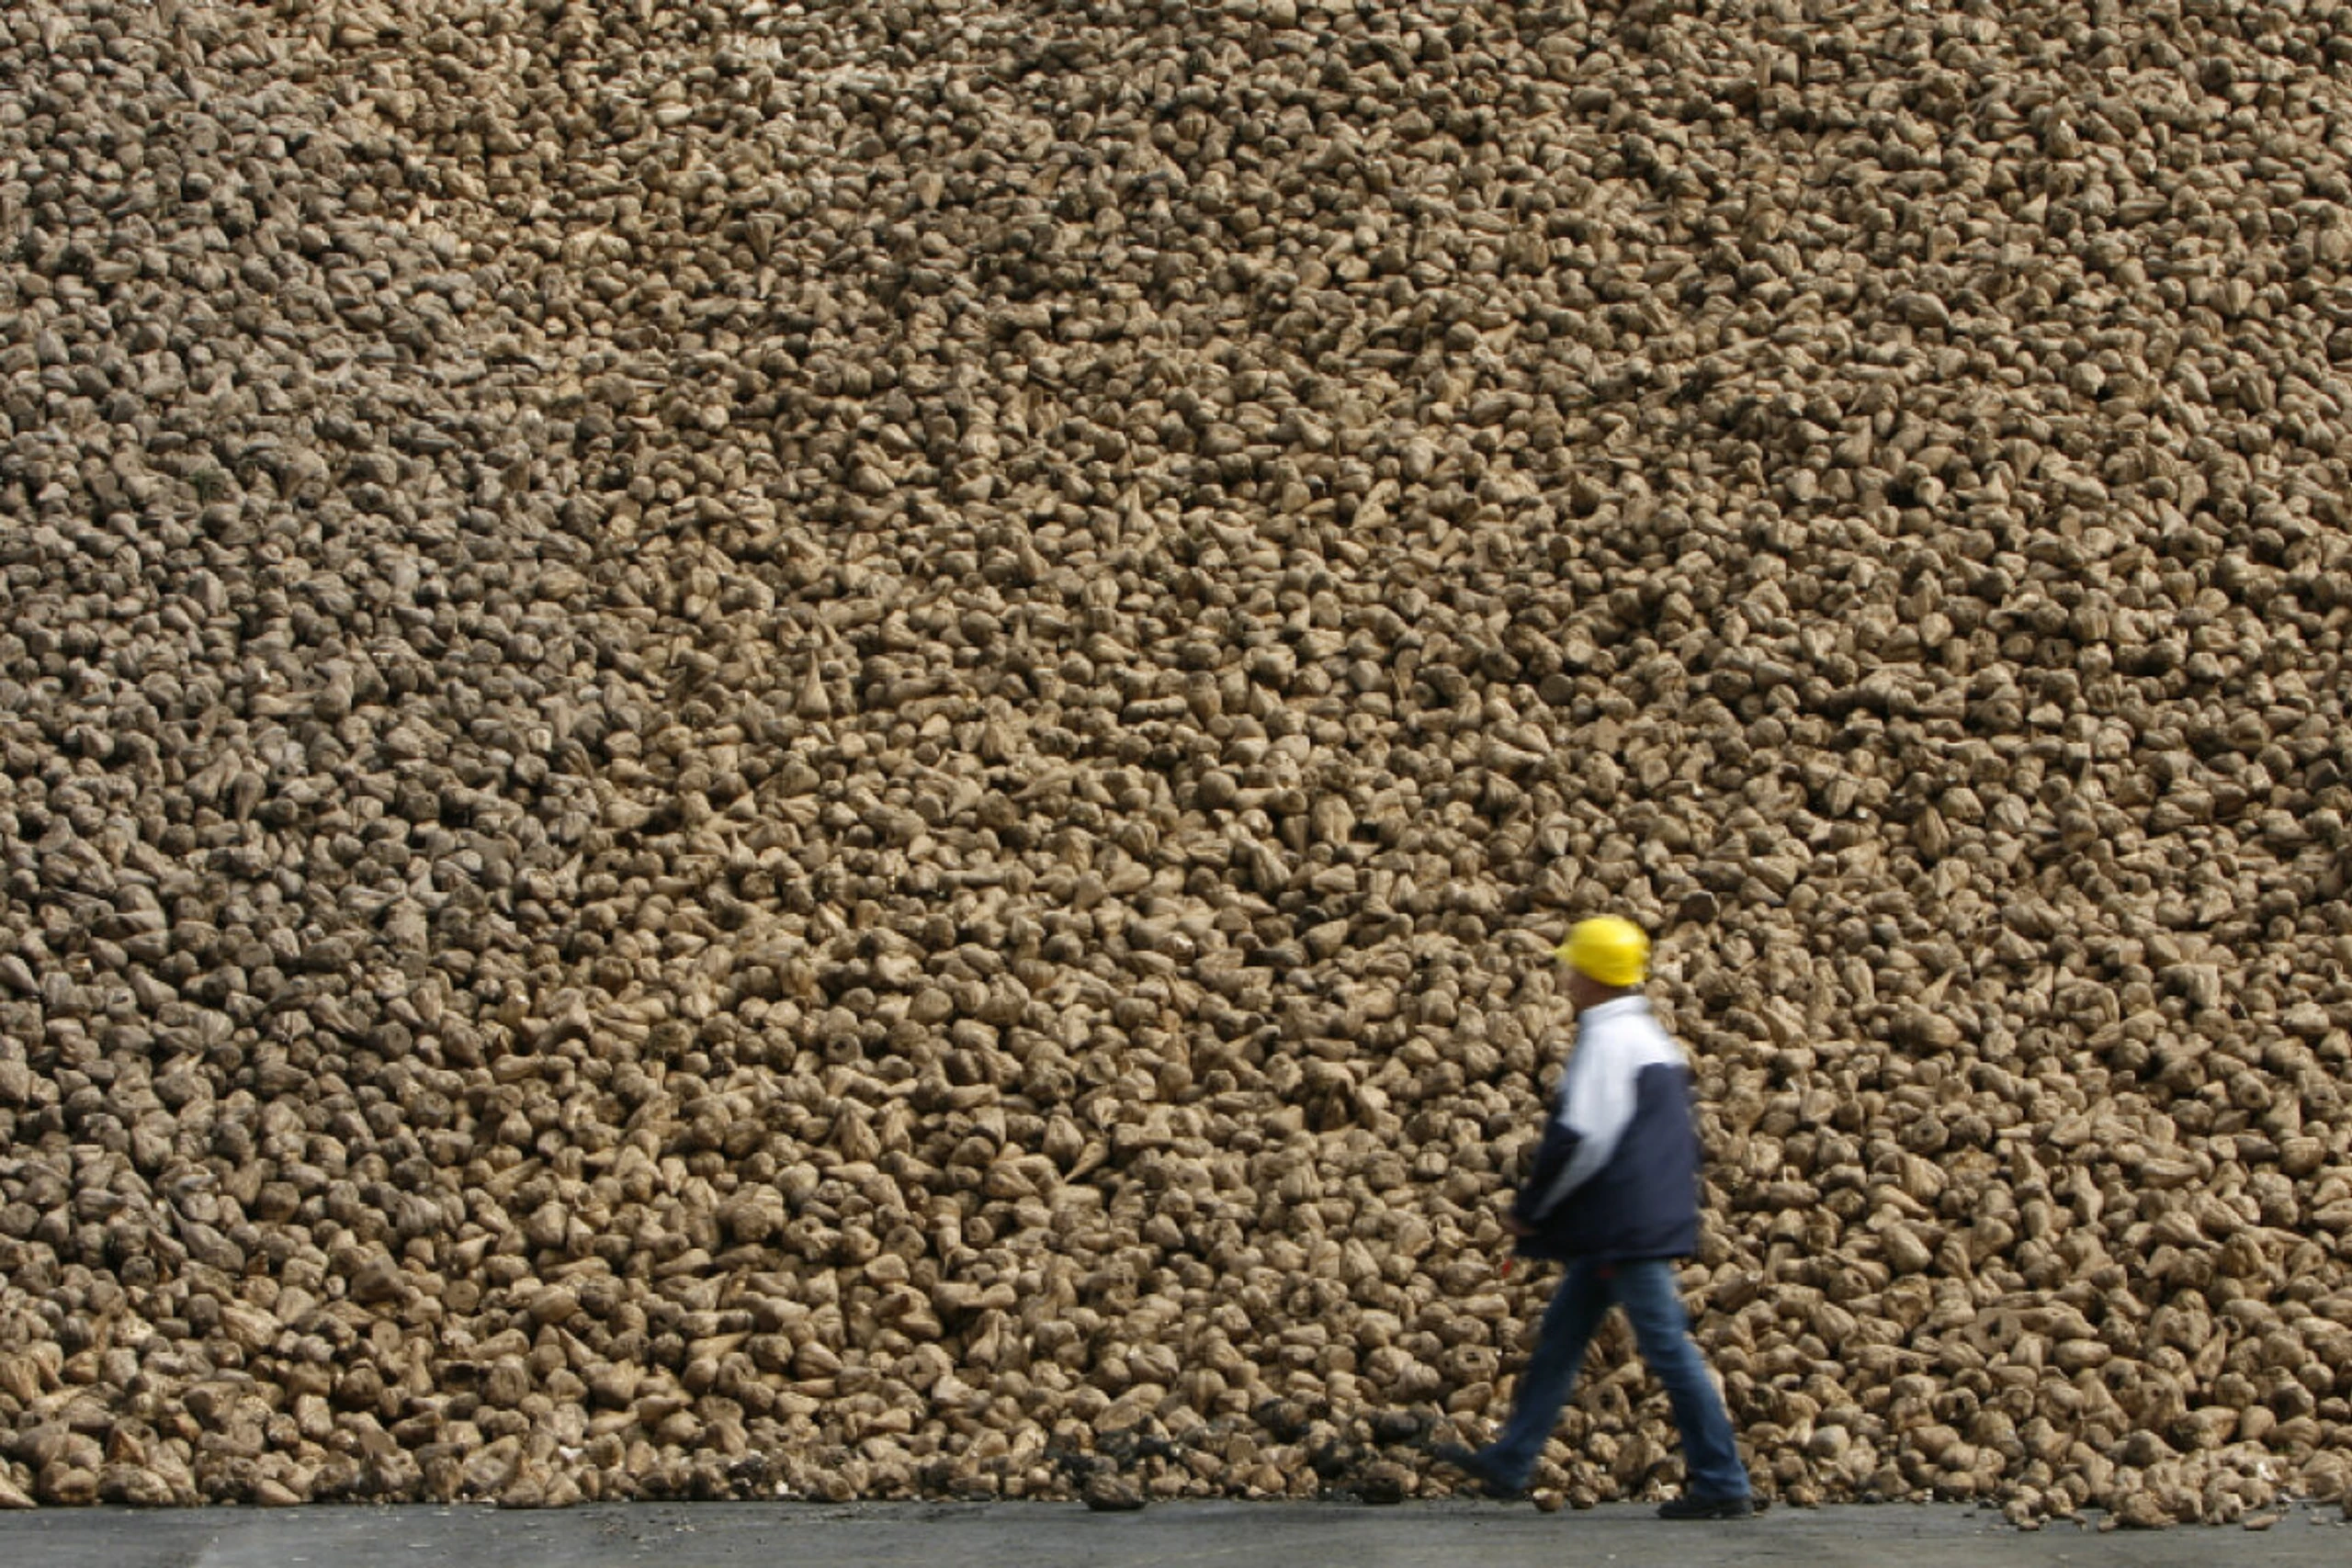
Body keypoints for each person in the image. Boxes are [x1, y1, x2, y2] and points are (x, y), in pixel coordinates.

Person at [1431, 916, 1754, 1519]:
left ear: (1595, 975)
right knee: (1562, 1334)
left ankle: (1722, 1478)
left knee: (1666, 1347)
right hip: (1635, 1218)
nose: (1566, 977)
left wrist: (1534, 1208)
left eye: (1573, 967)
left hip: (1623, 1227)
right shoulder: (1647, 1034)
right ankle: (1512, 1458)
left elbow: (1584, 1138)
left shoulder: (1607, 1041)